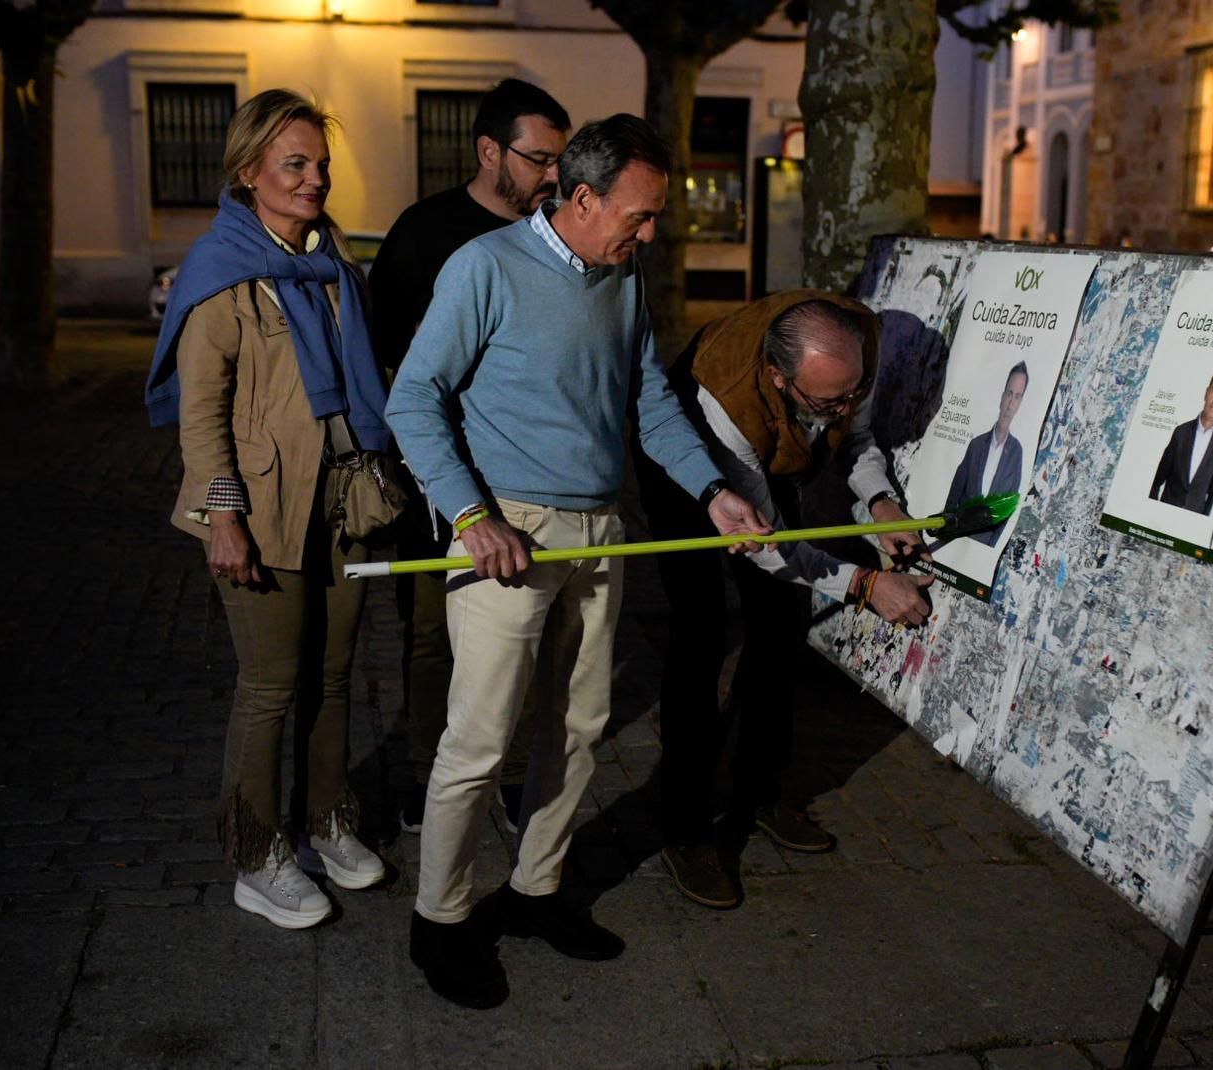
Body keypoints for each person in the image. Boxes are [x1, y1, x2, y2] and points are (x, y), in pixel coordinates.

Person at [385, 114, 768, 1010]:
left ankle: (536, 891)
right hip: (506, 533)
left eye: (655, 217)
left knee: (580, 726)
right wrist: (473, 516)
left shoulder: (622, 274)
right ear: (581, 196)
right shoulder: (485, 268)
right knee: (479, 741)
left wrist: (714, 492)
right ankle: (438, 920)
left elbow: (650, 404)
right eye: (638, 215)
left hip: (602, 530)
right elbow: (413, 401)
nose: (650, 233)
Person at [145, 89, 388, 929]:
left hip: (341, 501)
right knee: (270, 686)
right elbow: (201, 415)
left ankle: (325, 821)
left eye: (321, 163)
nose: (315, 177)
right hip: (259, 509)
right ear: (249, 173)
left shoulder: (331, 265)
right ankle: (256, 853)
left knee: (333, 675)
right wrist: (223, 518)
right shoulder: (221, 274)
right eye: (296, 163)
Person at [637, 292, 937, 911]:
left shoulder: (848, 357)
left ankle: (761, 789)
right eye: (829, 401)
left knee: (782, 621)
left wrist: (882, 506)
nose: (844, 408)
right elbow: (768, 547)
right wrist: (864, 585)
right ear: (779, 378)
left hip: (770, 451)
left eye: (854, 392)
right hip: (695, 473)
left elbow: (856, 441)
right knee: (702, 634)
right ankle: (686, 829)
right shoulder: (726, 405)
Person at [367, 79, 572, 835]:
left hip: (526, 471)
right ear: (489, 151)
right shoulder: (422, 232)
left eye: (561, 160)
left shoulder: (554, 235)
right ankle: (430, 775)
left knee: (522, 629)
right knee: (430, 634)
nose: (553, 177)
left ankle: (513, 776)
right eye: (538, 159)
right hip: (436, 469)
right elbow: (383, 352)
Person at [943, 361, 1028, 545]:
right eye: (1009, 394)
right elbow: (954, 494)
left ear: (1020, 403)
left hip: (982, 546)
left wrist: (990, 545)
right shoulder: (976, 445)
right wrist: (947, 530)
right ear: (1002, 397)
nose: (1011, 403)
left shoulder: (1016, 453)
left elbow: (1009, 507)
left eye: (1018, 397)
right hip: (955, 539)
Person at [1149, 362, 1213, 515]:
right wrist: (1154, 511)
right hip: (1164, 515)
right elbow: (1157, 480)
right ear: (1206, 392)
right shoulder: (1181, 432)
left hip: (1192, 519)